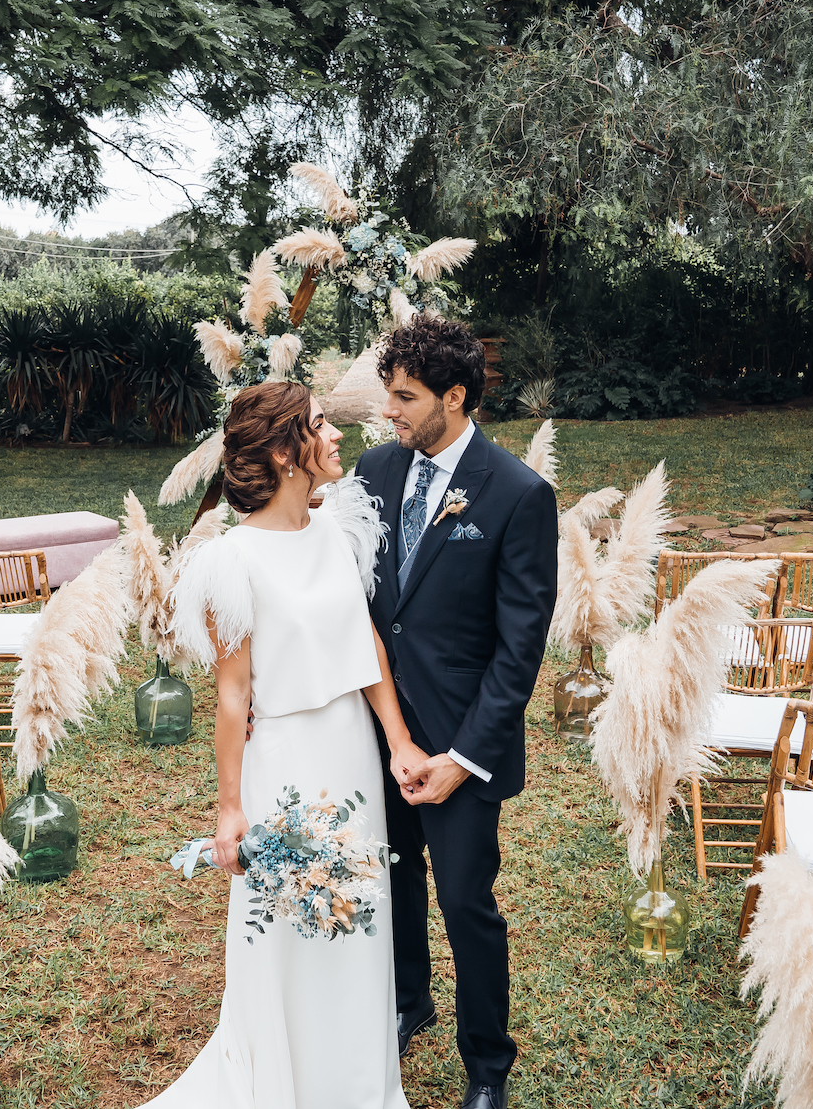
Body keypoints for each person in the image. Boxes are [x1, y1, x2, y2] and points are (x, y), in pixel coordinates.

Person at [147, 380, 428, 1109]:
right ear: (283, 452)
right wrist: (229, 808)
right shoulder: (231, 562)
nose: (336, 435)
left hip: (352, 756)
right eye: (320, 423)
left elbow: (366, 645)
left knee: (357, 919)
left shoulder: (337, 529)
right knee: (289, 929)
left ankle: (359, 1086)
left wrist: (398, 742)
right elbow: (232, 694)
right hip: (284, 767)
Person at [353, 315, 558, 1109]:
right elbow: (366, 602)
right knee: (393, 873)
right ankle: (409, 1001)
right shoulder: (374, 469)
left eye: (405, 396)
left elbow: (519, 650)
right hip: (378, 726)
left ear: (456, 395)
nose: (389, 411)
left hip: (462, 743)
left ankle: (487, 1066)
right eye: (389, 393)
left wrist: (463, 758)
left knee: (466, 901)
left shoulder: (518, 493)